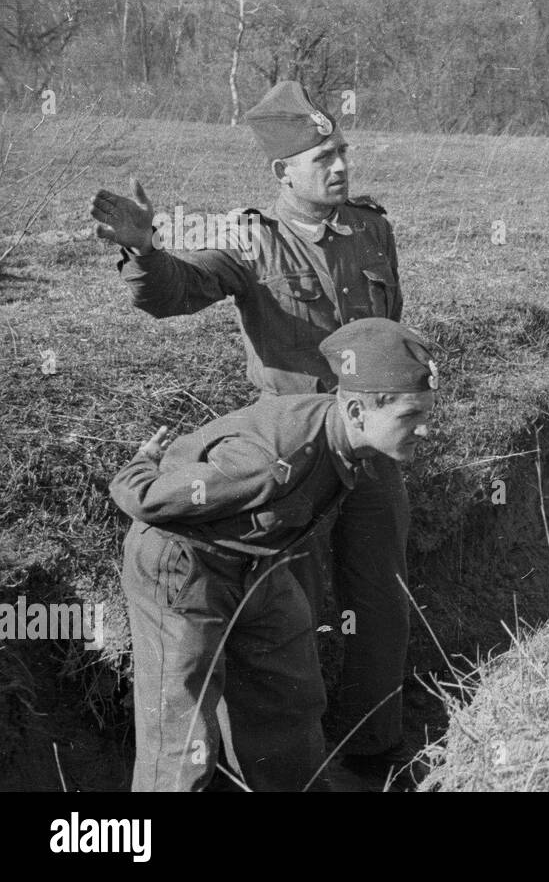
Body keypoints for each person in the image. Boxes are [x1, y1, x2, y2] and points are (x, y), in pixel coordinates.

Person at [90, 81, 413, 778]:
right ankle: (271, 761)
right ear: (282, 172)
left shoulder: (372, 229)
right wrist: (146, 251)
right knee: (291, 616)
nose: (340, 166)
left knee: (380, 597)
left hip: (368, 448)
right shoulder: (252, 241)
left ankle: (374, 744)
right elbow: (178, 291)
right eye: (323, 156)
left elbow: (389, 335)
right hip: (293, 458)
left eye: (343, 152)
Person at [110, 318, 437, 792]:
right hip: (181, 564)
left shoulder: (346, 438)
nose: (425, 430)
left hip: (257, 562)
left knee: (290, 699)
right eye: (412, 417)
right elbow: (146, 498)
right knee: (181, 737)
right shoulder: (272, 461)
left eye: (427, 412)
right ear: (357, 410)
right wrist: (141, 462)